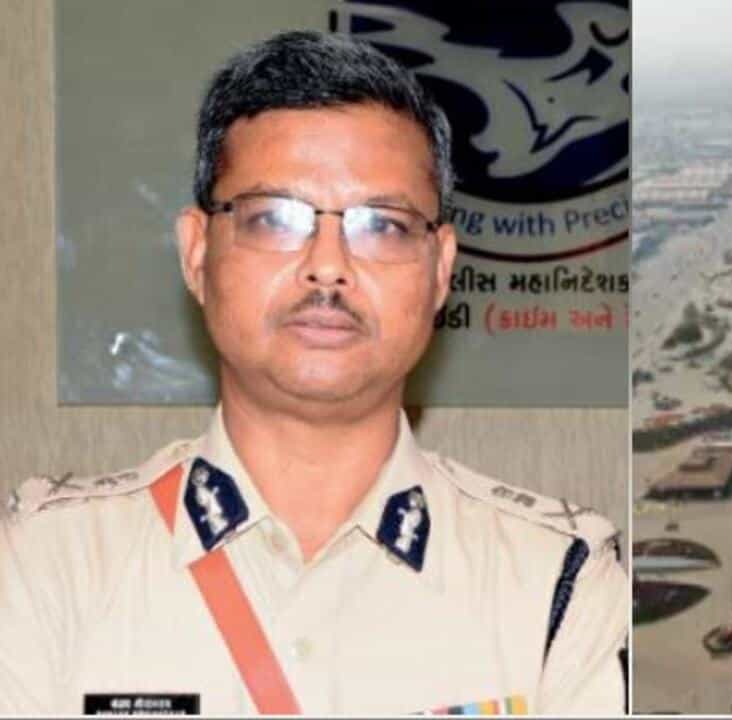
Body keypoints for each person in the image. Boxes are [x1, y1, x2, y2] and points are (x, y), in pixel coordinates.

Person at [0, 31, 627, 715]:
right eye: (275, 218)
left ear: (442, 269)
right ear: (196, 253)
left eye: (382, 226)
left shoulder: (558, 584)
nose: (328, 267)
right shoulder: (44, 566)